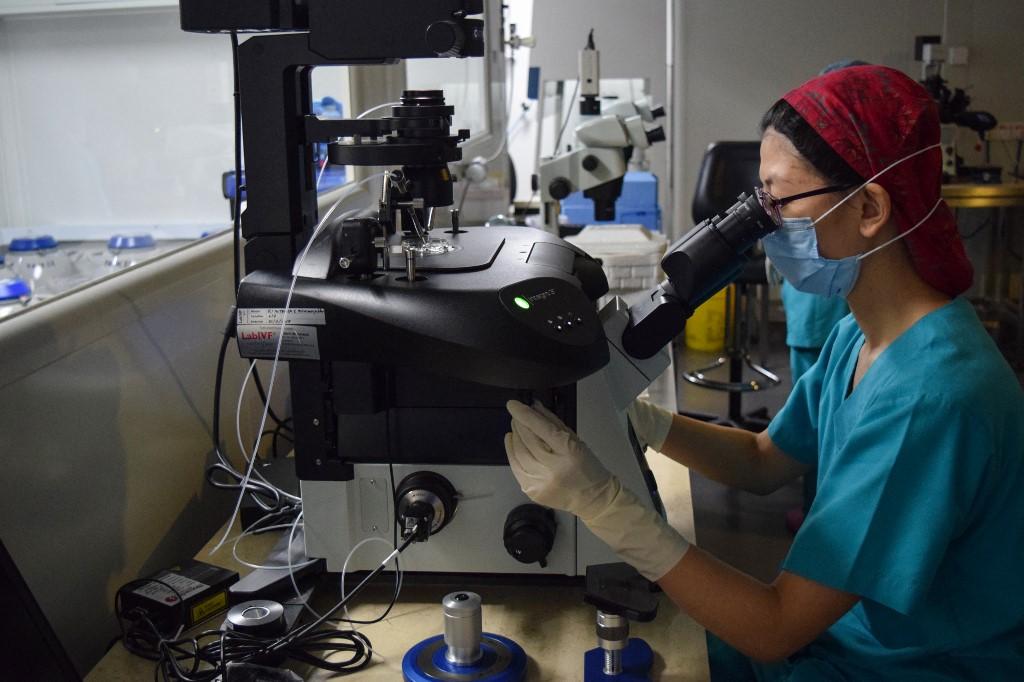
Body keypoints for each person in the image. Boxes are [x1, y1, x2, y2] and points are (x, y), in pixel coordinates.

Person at [504, 65, 1024, 680]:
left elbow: (775, 627)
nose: (767, 221)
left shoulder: (931, 398)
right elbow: (762, 460)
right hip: (851, 636)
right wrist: (637, 419)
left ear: (869, 207)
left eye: (779, 200)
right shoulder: (866, 330)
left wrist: (605, 506)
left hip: (918, 666)